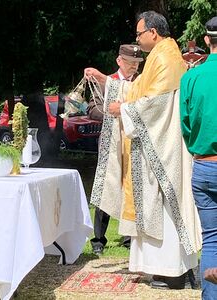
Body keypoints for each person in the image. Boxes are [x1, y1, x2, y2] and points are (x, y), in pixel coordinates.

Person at [85, 10, 201, 289]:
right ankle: (173, 269)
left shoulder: (164, 58)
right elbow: (138, 90)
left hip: (161, 149)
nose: (137, 39)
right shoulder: (161, 55)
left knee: (163, 207)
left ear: (153, 32)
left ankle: (171, 272)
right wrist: (107, 82)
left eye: (139, 34)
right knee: (160, 208)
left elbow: (154, 104)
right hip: (156, 146)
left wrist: (121, 109)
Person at [88, 44, 143, 254]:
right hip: (110, 142)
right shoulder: (106, 82)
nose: (134, 68)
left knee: (131, 186)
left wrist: (126, 111)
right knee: (106, 185)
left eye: (137, 64)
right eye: (130, 63)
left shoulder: (140, 83)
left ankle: (129, 236)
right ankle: (99, 239)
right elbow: (92, 108)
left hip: (132, 140)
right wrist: (114, 114)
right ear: (119, 61)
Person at [180, 16, 217, 299]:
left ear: (207, 40)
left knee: (212, 240)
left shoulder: (190, 77)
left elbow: (186, 124)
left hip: (203, 165)